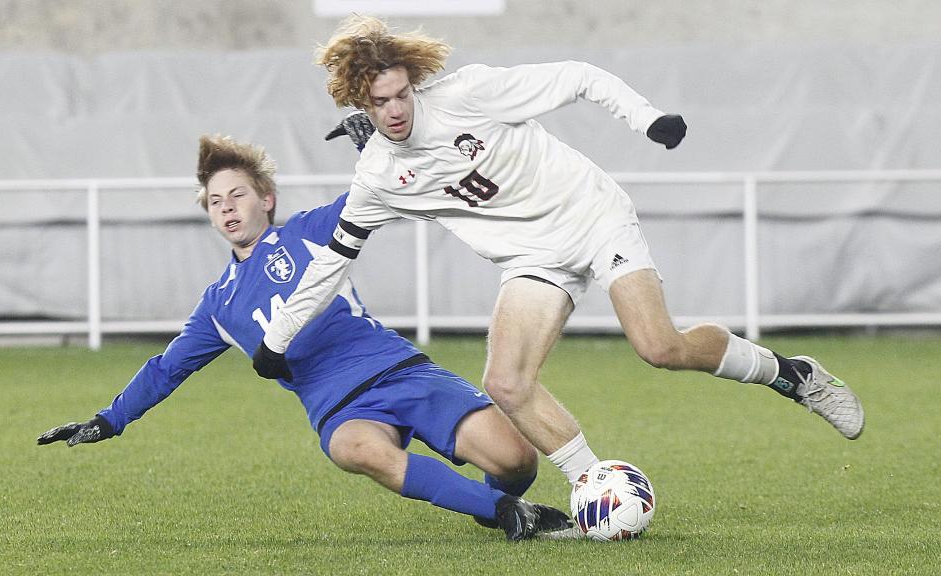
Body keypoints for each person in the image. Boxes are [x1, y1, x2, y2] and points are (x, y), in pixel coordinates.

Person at [253, 15, 865, 487]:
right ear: (359, 104)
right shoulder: (379, 178)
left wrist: (647, 119)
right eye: (380, 102)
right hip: (533, 260)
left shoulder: (468, 94)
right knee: (506, 381)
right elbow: (333, 258)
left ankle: (792, 373)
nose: (395, 110)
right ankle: (595, 486)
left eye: (401, 95)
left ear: (413, 84)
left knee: (660, 346)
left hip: (593, 216)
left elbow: (578, 75)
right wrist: (278, 339)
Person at [36, 134, 572, 542]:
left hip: (402, 371)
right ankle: (507, 514)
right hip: (340, 408)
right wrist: (109, 418)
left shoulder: (310, 232)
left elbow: (372, 194)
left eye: (236, 194)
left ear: (266, 199)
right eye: (215, 200)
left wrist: (382, 145)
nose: (225, 206)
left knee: (517, 460)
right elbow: (166, 367)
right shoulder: (218, 304)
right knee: (352, 449)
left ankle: (494, 500)